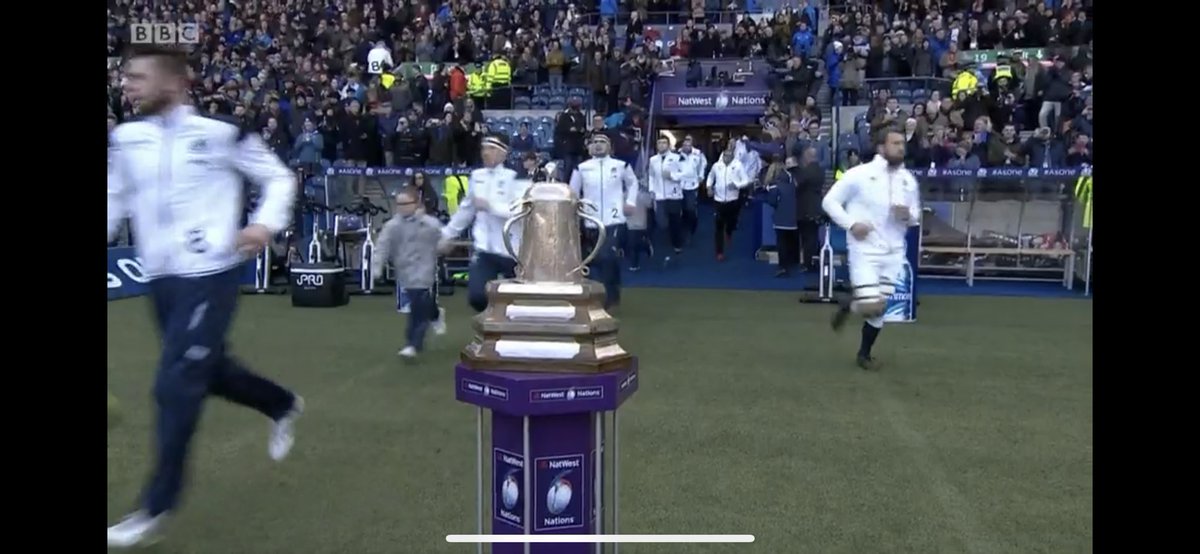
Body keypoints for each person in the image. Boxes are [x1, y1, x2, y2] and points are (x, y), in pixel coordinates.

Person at [106, 46, 304, 547]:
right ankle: (281, 403)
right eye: (125, 77)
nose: (126, 84)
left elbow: (279, 177)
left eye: (136, 77)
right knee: (209, 371)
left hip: (211, 272)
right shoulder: (125, 138)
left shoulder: (221, 133)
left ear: (173, 83)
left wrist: (264, 223)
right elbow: (113, 199)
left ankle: (155, 506)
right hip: (161, 279)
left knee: (175, 383)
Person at [821, 130, 922, 371]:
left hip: (895, 251)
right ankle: (855, 305)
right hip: (864, 250)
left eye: (902, 143)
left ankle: (863, 353)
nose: (901, 147)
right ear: (881, 147)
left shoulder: (908, 180)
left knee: (880, 308)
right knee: (872, 305)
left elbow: (917, 214)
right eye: (895, 143)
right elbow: (829, 202)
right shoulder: (859, 175)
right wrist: (852, 224)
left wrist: (908, 215)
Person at [440, 134, 530, 313]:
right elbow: (466, 210)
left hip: (511, 249)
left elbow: (522, 210)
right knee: (477, 296)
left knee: (519, 301)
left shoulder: (517, 176)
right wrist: (445, 235)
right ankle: (490, 329)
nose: (486, 153)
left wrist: (491, 206)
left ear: (503, 153)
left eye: (492, 149)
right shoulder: (477, 176)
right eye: (484, 148)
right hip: (484, 248)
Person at [569, 134, 638, 308]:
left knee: (607, 255)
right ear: (590, 147)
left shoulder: (621, 165)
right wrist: (574, 211)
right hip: (590, 220)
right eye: (595, 142)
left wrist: (630, 202)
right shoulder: (581, 168)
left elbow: (633, 183)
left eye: (602, 142)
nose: (598, 145)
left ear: (609, 147)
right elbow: (573, 192)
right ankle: (612, 289)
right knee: (597, 259)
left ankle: (606, 298)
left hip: (613, 218)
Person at [375, 188, 445, 359]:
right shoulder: (392, 226)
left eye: (406, 203)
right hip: (405, 271)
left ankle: (413, 343)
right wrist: (377, 267)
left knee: (418, 305)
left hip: (425, 268)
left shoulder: (429, 223)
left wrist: (444, 246)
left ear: (416, 204)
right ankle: (435, 314)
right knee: (421, 301)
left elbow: (443, 237)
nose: (402, 207)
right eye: (399, 204)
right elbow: (382, 246)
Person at [705, 148, 752, 261]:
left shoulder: (738, 165)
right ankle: (719, 252)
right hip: (718, 200)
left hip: (733, 200)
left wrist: (737, 185)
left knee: (731, 221)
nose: (727, 157)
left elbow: (746, 180)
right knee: (718, 226)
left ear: (733, 156)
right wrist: (709, 187)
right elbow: (711, 177)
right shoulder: (717, 166)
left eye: (730, 155)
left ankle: (729, 232)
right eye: (725, 155)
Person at [646, 136, 686, 264]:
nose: (661, 145)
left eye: (664, 143)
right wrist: (651, 190)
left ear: (668, 145)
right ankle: (667, 237)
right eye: (659, 143)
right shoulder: (653, 160)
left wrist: (672, 176)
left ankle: (677, 244)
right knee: (661, 222)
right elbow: (651, 176)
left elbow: (685, 173)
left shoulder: (676, 158)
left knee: (675, 220)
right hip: (659, 195)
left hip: (673, 194)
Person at [766, 155, 800, 277]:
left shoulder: (775, 185)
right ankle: (792, 263)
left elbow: (772, 201)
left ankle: (783, 267)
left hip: (780, 218)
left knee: (782, 243)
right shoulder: (793, 184)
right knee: (791, 241)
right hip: (793, 217)